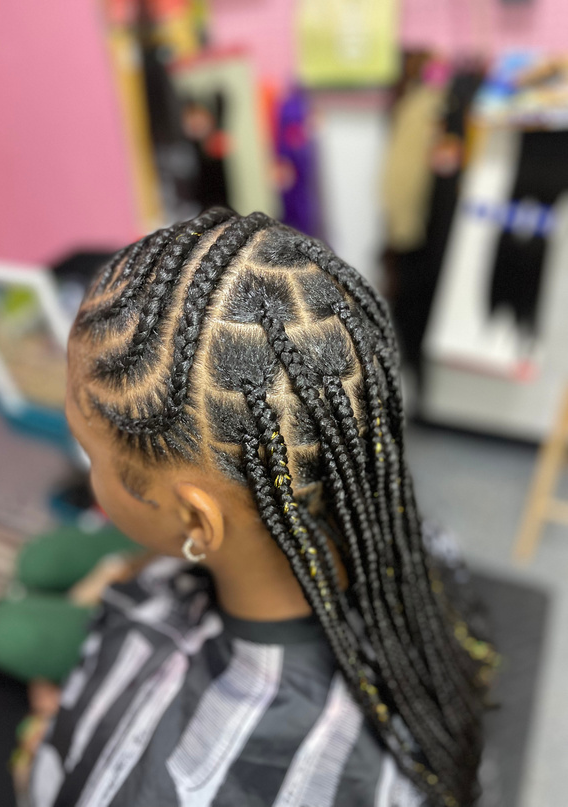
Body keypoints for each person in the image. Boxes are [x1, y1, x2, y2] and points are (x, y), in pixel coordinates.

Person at [29, 208, 497, 807]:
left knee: (6, 624)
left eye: (89, 452)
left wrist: (44, 747)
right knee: (40, 568)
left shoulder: (154, 783)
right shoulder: (410, 546)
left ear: (196, 522)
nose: (85, 471)